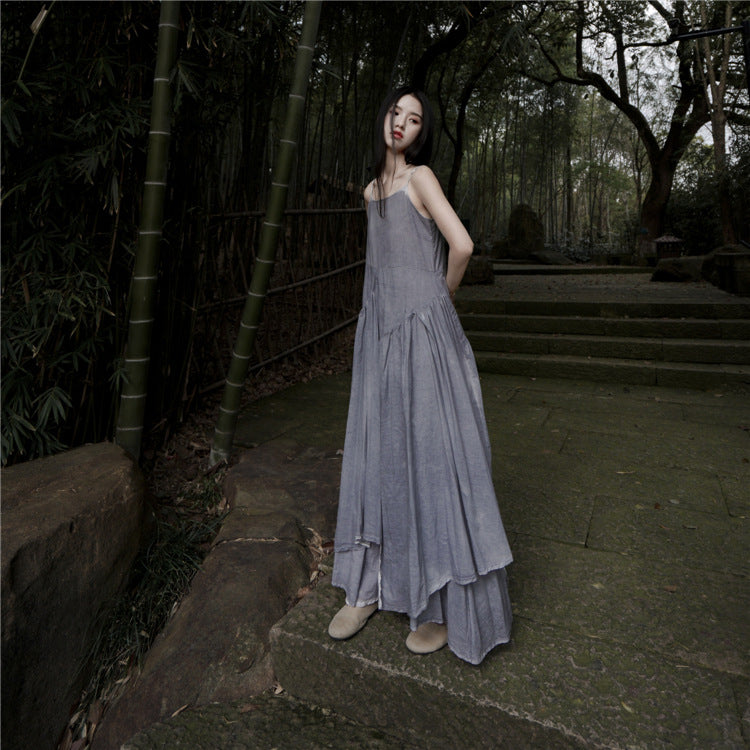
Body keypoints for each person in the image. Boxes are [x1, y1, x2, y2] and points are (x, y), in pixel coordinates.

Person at [328, 86, 513, 665]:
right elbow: (378, 271)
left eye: (413, 119)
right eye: (395, 113)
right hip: (381, 335)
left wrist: (441, 297)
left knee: (433, 456)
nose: (401, 124)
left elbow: (462, 245)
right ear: (382, 116)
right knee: (379, 451)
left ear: (420, 133)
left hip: (425, 335)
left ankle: (439, 605)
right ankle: (368, 587)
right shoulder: (369, 192)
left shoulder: (420, 179)